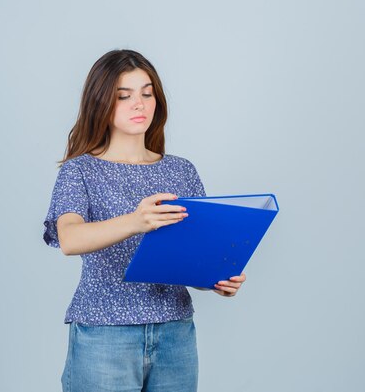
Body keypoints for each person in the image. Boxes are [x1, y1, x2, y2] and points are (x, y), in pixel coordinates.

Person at [43, 49, 246, 392]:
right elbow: (70, 239)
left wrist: (214, 279)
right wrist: (138, 220)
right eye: (124, 96)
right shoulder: (81, 170)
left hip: (174, 334)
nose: (139, 104)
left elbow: (190, 255)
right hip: (105, 334)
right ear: (100, 102)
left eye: (147, 93)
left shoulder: (181, 170)